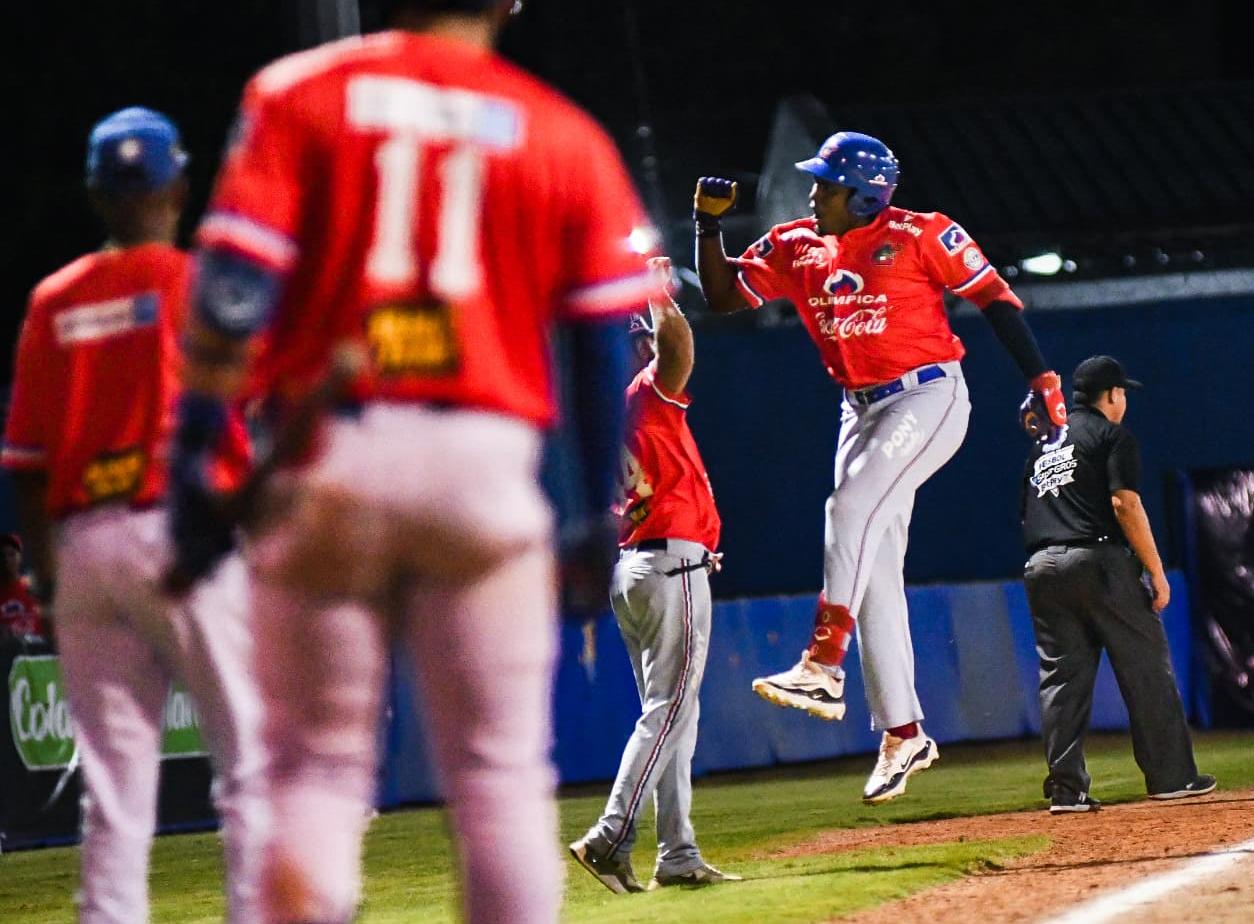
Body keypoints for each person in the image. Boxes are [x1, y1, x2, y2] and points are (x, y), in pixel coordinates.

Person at [170, 1, 660, 920]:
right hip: (483, 461)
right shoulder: (562, 131)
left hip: (329, 452)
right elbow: (601, 347)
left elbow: (234, 288)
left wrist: (199, 451)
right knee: (498, 777)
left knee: (312, 774)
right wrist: (596, 511)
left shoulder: (301, 92)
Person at [694, 132, 1070, 804]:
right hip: (859, 410)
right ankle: (902, 732)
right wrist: (707, 226)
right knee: (869, 570)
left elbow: (995, 300)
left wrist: (1041, 376)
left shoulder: (923, 233)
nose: (813, 193)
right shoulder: (794, 243)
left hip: (928, 395)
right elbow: (722, 297)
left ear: (864, 192)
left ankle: (823, 662)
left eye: (826, 184)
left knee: (847, 510)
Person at [2, 108, 266, 922]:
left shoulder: (53, 301)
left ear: (95, 193)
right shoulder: (196, 283)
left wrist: (51, 576)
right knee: (251, 761)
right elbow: (246, 417)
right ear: (179, 184)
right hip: (177, 526)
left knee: (114, 788)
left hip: (84, 545)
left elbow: (27, 469)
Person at [570, 257, 740, 893]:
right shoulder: (644, 396)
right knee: (669, 712)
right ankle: (611, 835)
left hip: (638, 566)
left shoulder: (604, 419)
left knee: (672, 716)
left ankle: (678, 853)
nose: (645, 339)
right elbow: (679, 348)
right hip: (669, 565)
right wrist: (664, 298)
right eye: (639, 334)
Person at [1019, 355, 1215, 813]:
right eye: (1122, 392)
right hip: (1100, 562)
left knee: (1061, 682)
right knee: (1146, 669)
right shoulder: (1112, 436)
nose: (1123, 400)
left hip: (1042, 565)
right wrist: (1156, 570)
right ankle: (1172, 777)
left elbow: (1026, 513)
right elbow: (1124, 504)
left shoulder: (1043, 446)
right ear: (1111, 395)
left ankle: (1067, 790)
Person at [0, 534, 46, 641]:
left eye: (12, 554)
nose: (7, 560)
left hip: (38, 651)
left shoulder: (32, 586)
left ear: (20, 557)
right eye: (2, 555)